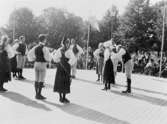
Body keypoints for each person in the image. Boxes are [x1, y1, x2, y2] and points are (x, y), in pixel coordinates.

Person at [27, 34, 52, 100]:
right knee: (41, 79)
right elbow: (47, 58)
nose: (46, 40)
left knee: (36, 79)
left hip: (36, 63)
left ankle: (36, 94)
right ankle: (39, 94)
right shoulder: (44, 48)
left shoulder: (35, 47)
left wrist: (34, 58)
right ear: (44, 40)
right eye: (45, 39)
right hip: (42, 64)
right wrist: (49, 60)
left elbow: (29, 54)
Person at [53, 38, 75, 103]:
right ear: (64, 43)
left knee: (61, 81)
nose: (68, 44)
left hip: (61, 66)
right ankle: (62, 98)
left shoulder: (59, 50)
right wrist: (69, 63)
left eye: (68, 43)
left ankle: (62, 98)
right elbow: (73, 59)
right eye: (67, 43)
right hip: (65, 67)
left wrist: (59, 61)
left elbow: (55, 59)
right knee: (63, 82)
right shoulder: (69, 50)